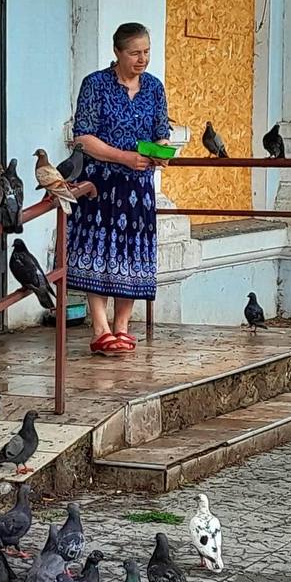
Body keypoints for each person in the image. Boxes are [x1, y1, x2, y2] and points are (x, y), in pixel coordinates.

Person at [68, 22, 170, 355]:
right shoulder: (95, 85)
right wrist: (123, 157)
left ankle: (122, 327)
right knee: (97, 252)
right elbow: (83, 136)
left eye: (147, 52)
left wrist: (160, 152)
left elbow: (160, 131)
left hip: (138, 186)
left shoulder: (154, 88)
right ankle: (100, 328)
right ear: (117, 52)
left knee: (131, 252)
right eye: (135, 53)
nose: (142, 59)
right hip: (99, 182)